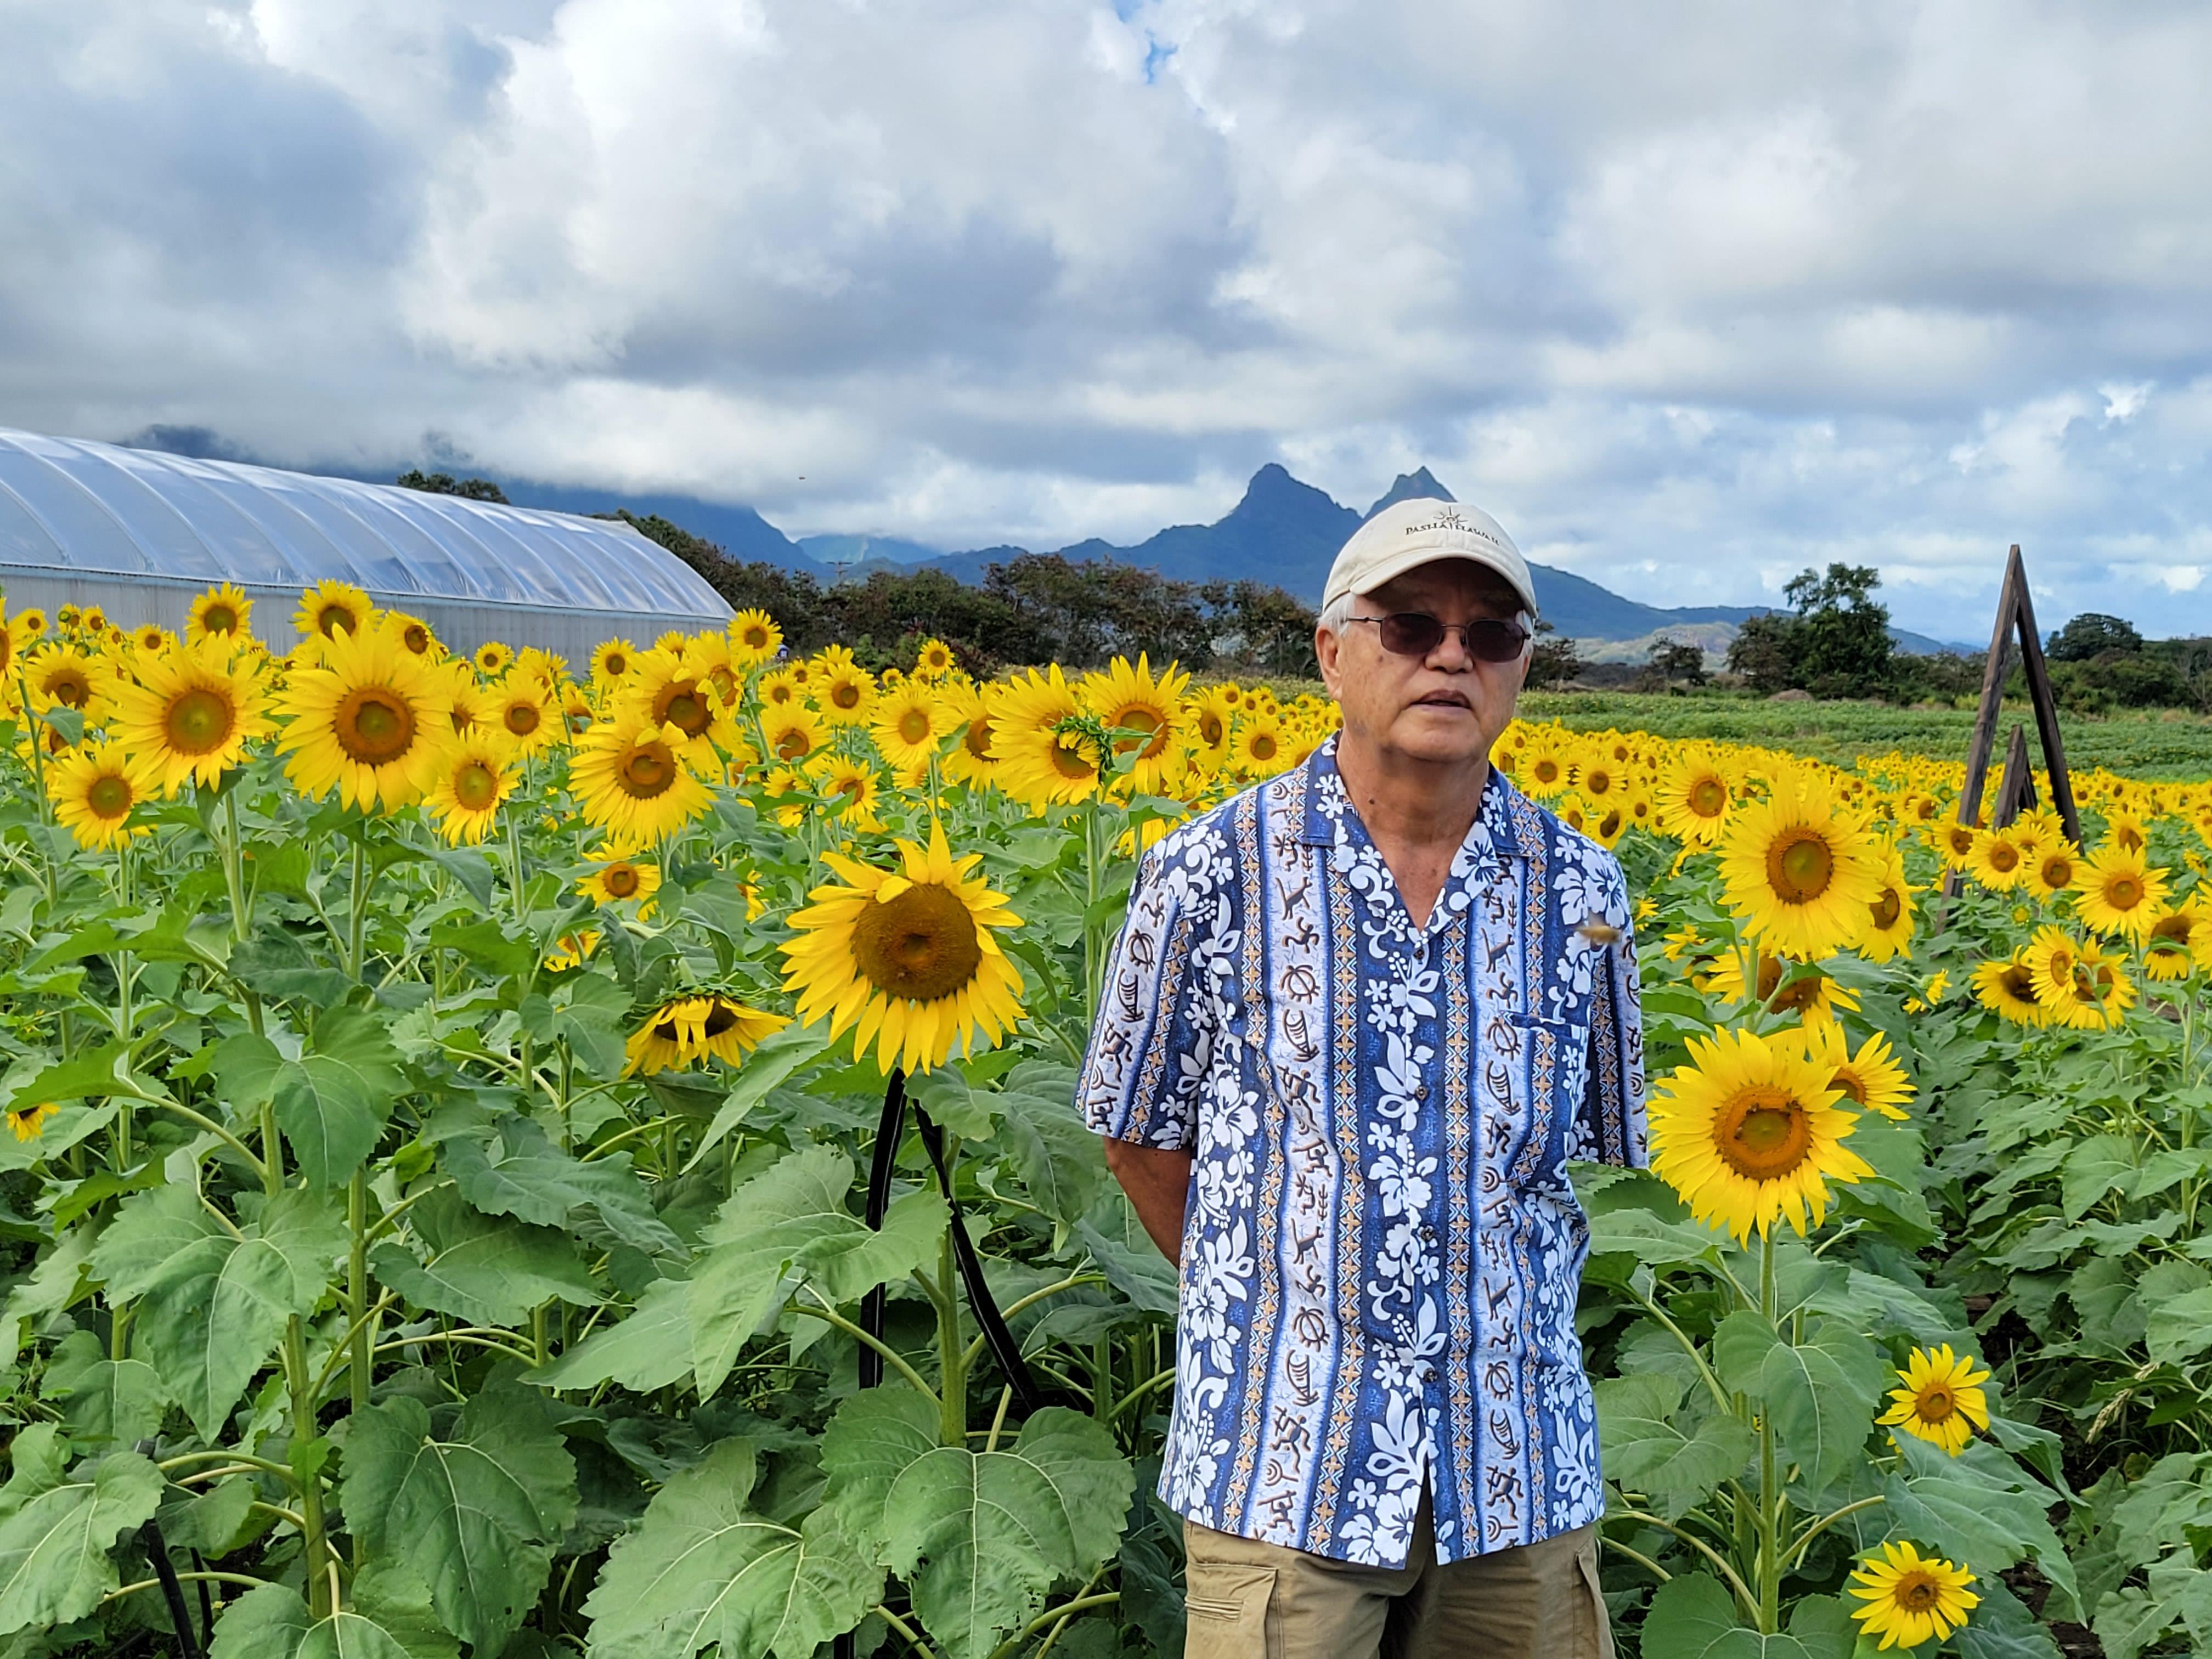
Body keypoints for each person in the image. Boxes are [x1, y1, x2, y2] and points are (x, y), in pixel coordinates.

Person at [1077, 498, 1646, 1659]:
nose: (1451, 654)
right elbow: (1137, 1136)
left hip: (1518, 1463)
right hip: (1289, 1467)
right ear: (1333, 653)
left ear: (1521, 671)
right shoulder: (1205, 874)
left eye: (1491, 634)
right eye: (1409, 624)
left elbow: (1581, 1156)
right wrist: (1280, 1304)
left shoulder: (1585, 893)